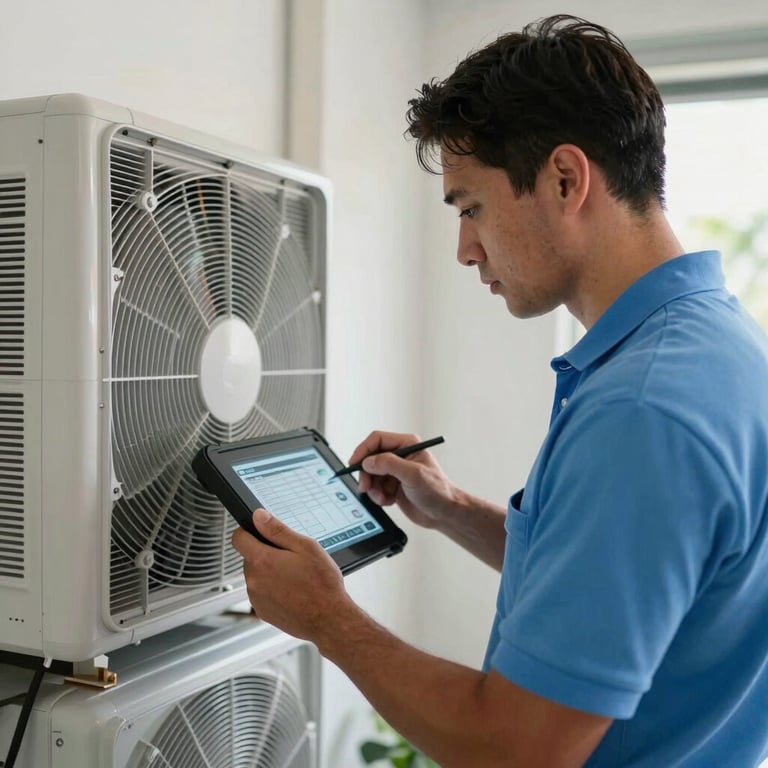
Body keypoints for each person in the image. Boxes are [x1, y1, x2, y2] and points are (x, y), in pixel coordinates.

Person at [233, 15, 768, 767]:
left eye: (470, 207)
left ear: (564, 179)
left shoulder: (642, 411)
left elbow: (520, 748)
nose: (464, 249)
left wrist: (329, 620)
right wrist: (453, 513)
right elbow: (638, 586)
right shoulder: (717, 345)